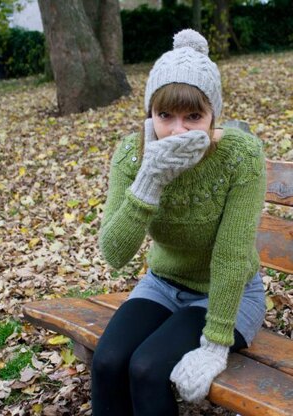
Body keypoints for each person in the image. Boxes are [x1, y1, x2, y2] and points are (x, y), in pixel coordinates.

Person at [91, 29, 267, 416]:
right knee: (106, 363)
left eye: (193, 116)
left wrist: (215, 345)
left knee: (148, 368)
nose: (177, 130)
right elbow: (114, 253)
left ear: (213, 116)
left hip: (229, 295)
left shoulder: (240, 156)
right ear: (149, 113)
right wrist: (150, 180)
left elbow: (233, 254)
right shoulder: (132, 156)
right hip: (162, 285)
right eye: (164, 115)